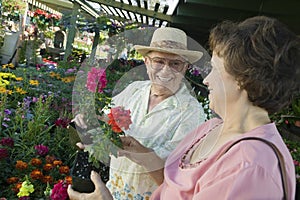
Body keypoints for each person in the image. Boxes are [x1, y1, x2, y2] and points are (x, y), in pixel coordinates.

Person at [68, 16, 299, 200]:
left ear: (244, 80)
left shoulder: (250, 168)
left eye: (215, 70)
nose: (206, 80)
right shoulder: (211, 128)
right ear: (147, 61)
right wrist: (101, 134)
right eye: (159, 61)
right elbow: (170, 184)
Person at [70, 27, 207, 199]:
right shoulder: (134, 90)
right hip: (111, 192)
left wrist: (142, 154)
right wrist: (88, 125)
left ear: (185, 67)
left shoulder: (191, 113)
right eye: (159, 61)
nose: (166, 70)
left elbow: (178, 182)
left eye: (175, 64)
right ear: (147, 62)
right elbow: (105, 121)